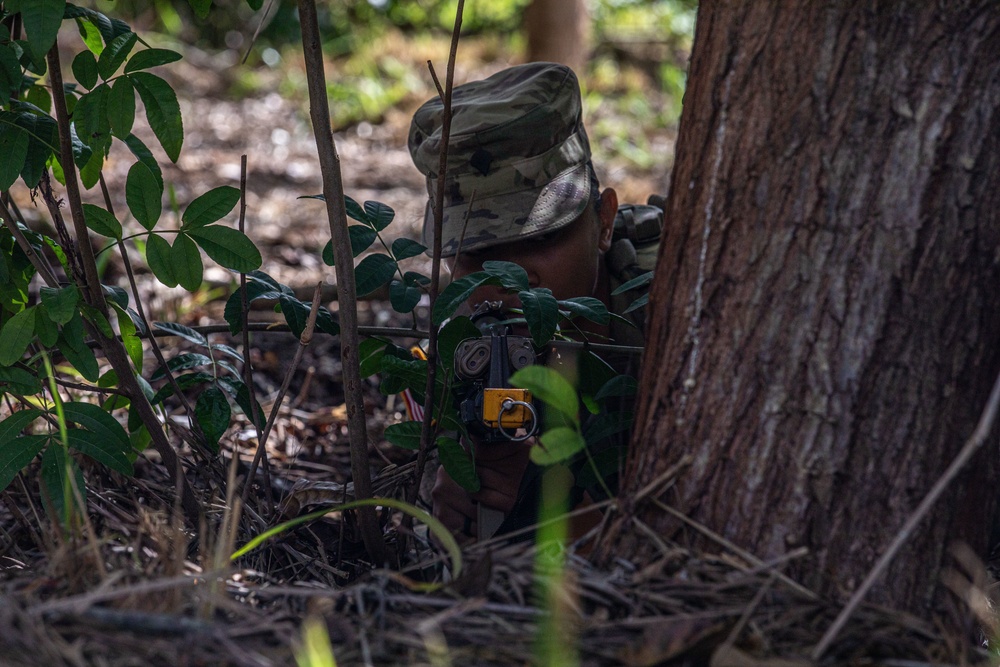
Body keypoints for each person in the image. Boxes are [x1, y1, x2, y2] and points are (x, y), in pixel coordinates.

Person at [407, 62, 659, 542]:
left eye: (537, 240)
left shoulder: (668, 299)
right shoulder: (463, 343)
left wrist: (593, 524)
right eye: (478, 254)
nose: (508, 279)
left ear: (603, 222)